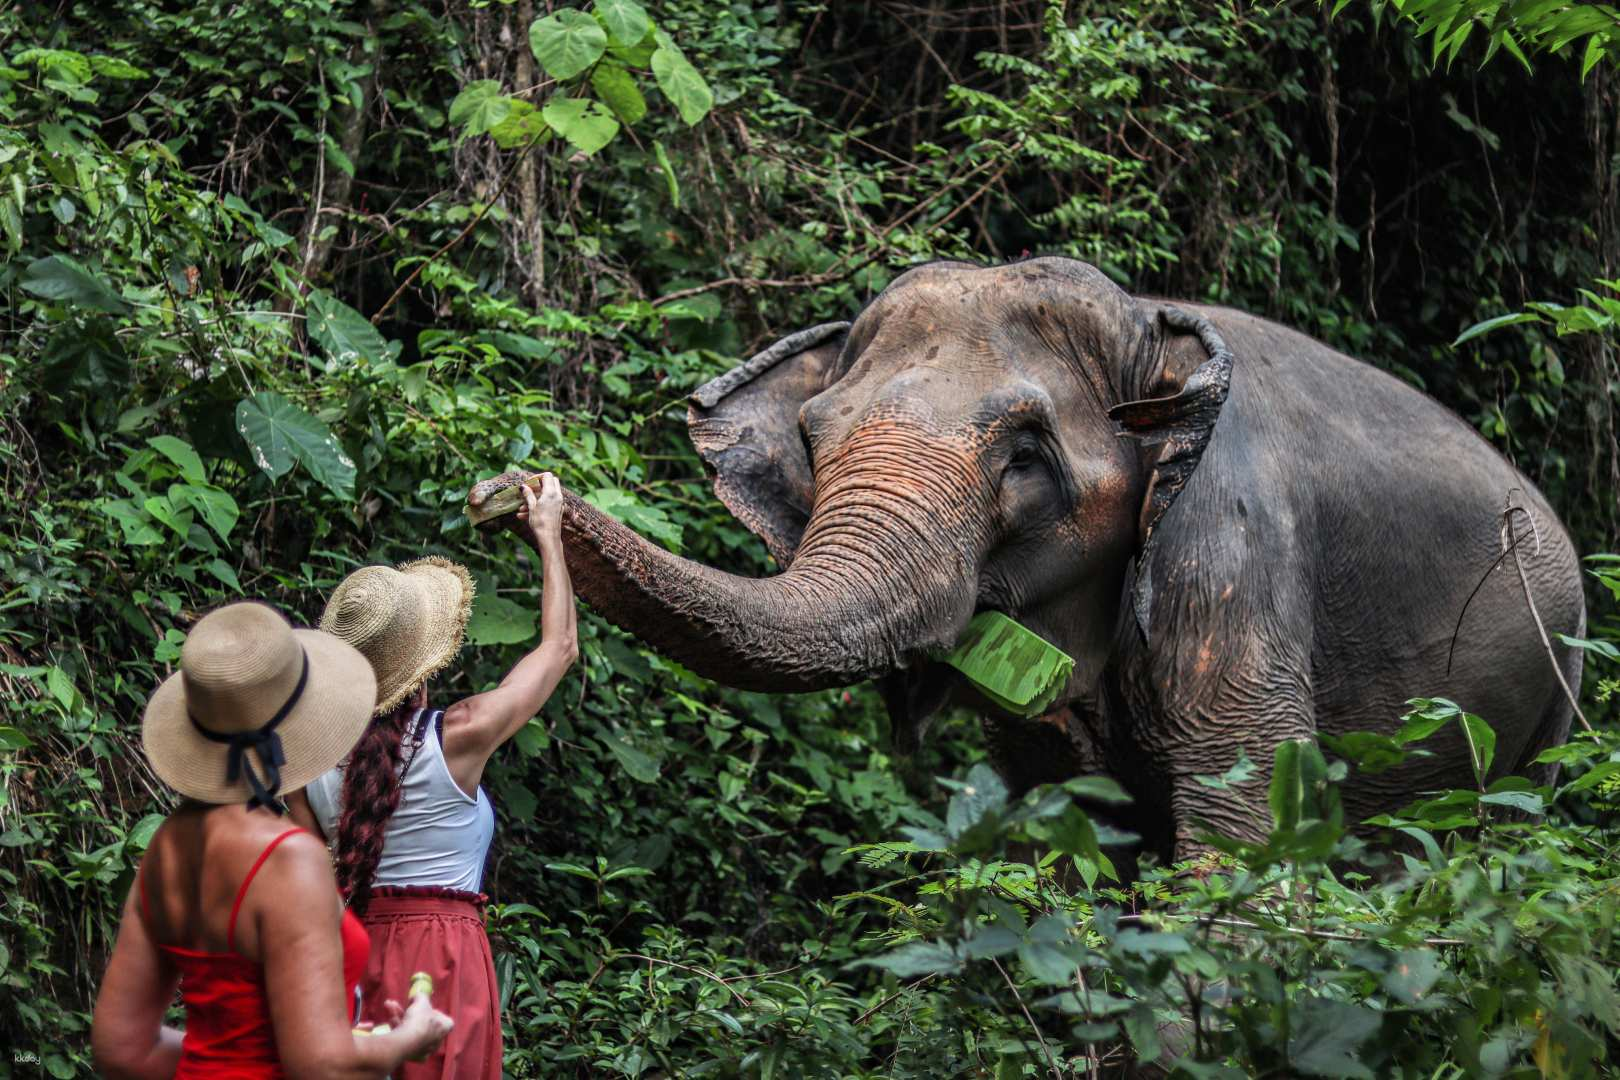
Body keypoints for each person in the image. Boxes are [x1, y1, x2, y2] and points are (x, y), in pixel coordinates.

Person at [287, 473, 577, 1080]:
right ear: (426, 658)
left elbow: (312, 877)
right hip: (442, 957)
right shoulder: (461, 735)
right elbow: (559, 649)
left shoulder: (306, 761)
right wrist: (549, 535)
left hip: (350, 954)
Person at [92, 601, 453, 1079]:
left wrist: (225, 1060)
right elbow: (320, 1065)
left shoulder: (166, 847)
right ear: (297, 723)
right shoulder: (287, 858)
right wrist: (408, 1038)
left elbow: (122, 1048)